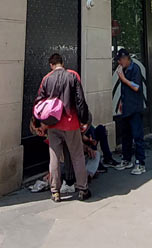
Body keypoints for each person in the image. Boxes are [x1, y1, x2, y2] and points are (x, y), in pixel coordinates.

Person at [34, 52, 92, 202]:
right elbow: (80, 100)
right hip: (71, 122)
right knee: (77, 156)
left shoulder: (46, 79)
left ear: (51, 65)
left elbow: (39, 101)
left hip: (53, 125)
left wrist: (38, 123)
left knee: (54, 157)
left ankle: (55, 192)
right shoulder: (72, 76)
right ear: (62, 63)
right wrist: (83, 119)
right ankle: (82, 189)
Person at [114, 48, 146, 175]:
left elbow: (136, 87)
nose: (120, 62)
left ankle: (140, 162)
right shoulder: (124, 70)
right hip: (126, 107)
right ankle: (126, 159)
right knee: (126, 135)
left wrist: (123, 79)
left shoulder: (134, 69)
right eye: (119, 60)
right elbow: (124, 89)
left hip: (135, 107)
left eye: (122, 59)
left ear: (127, 58)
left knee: (137, 135)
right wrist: (121, 101)